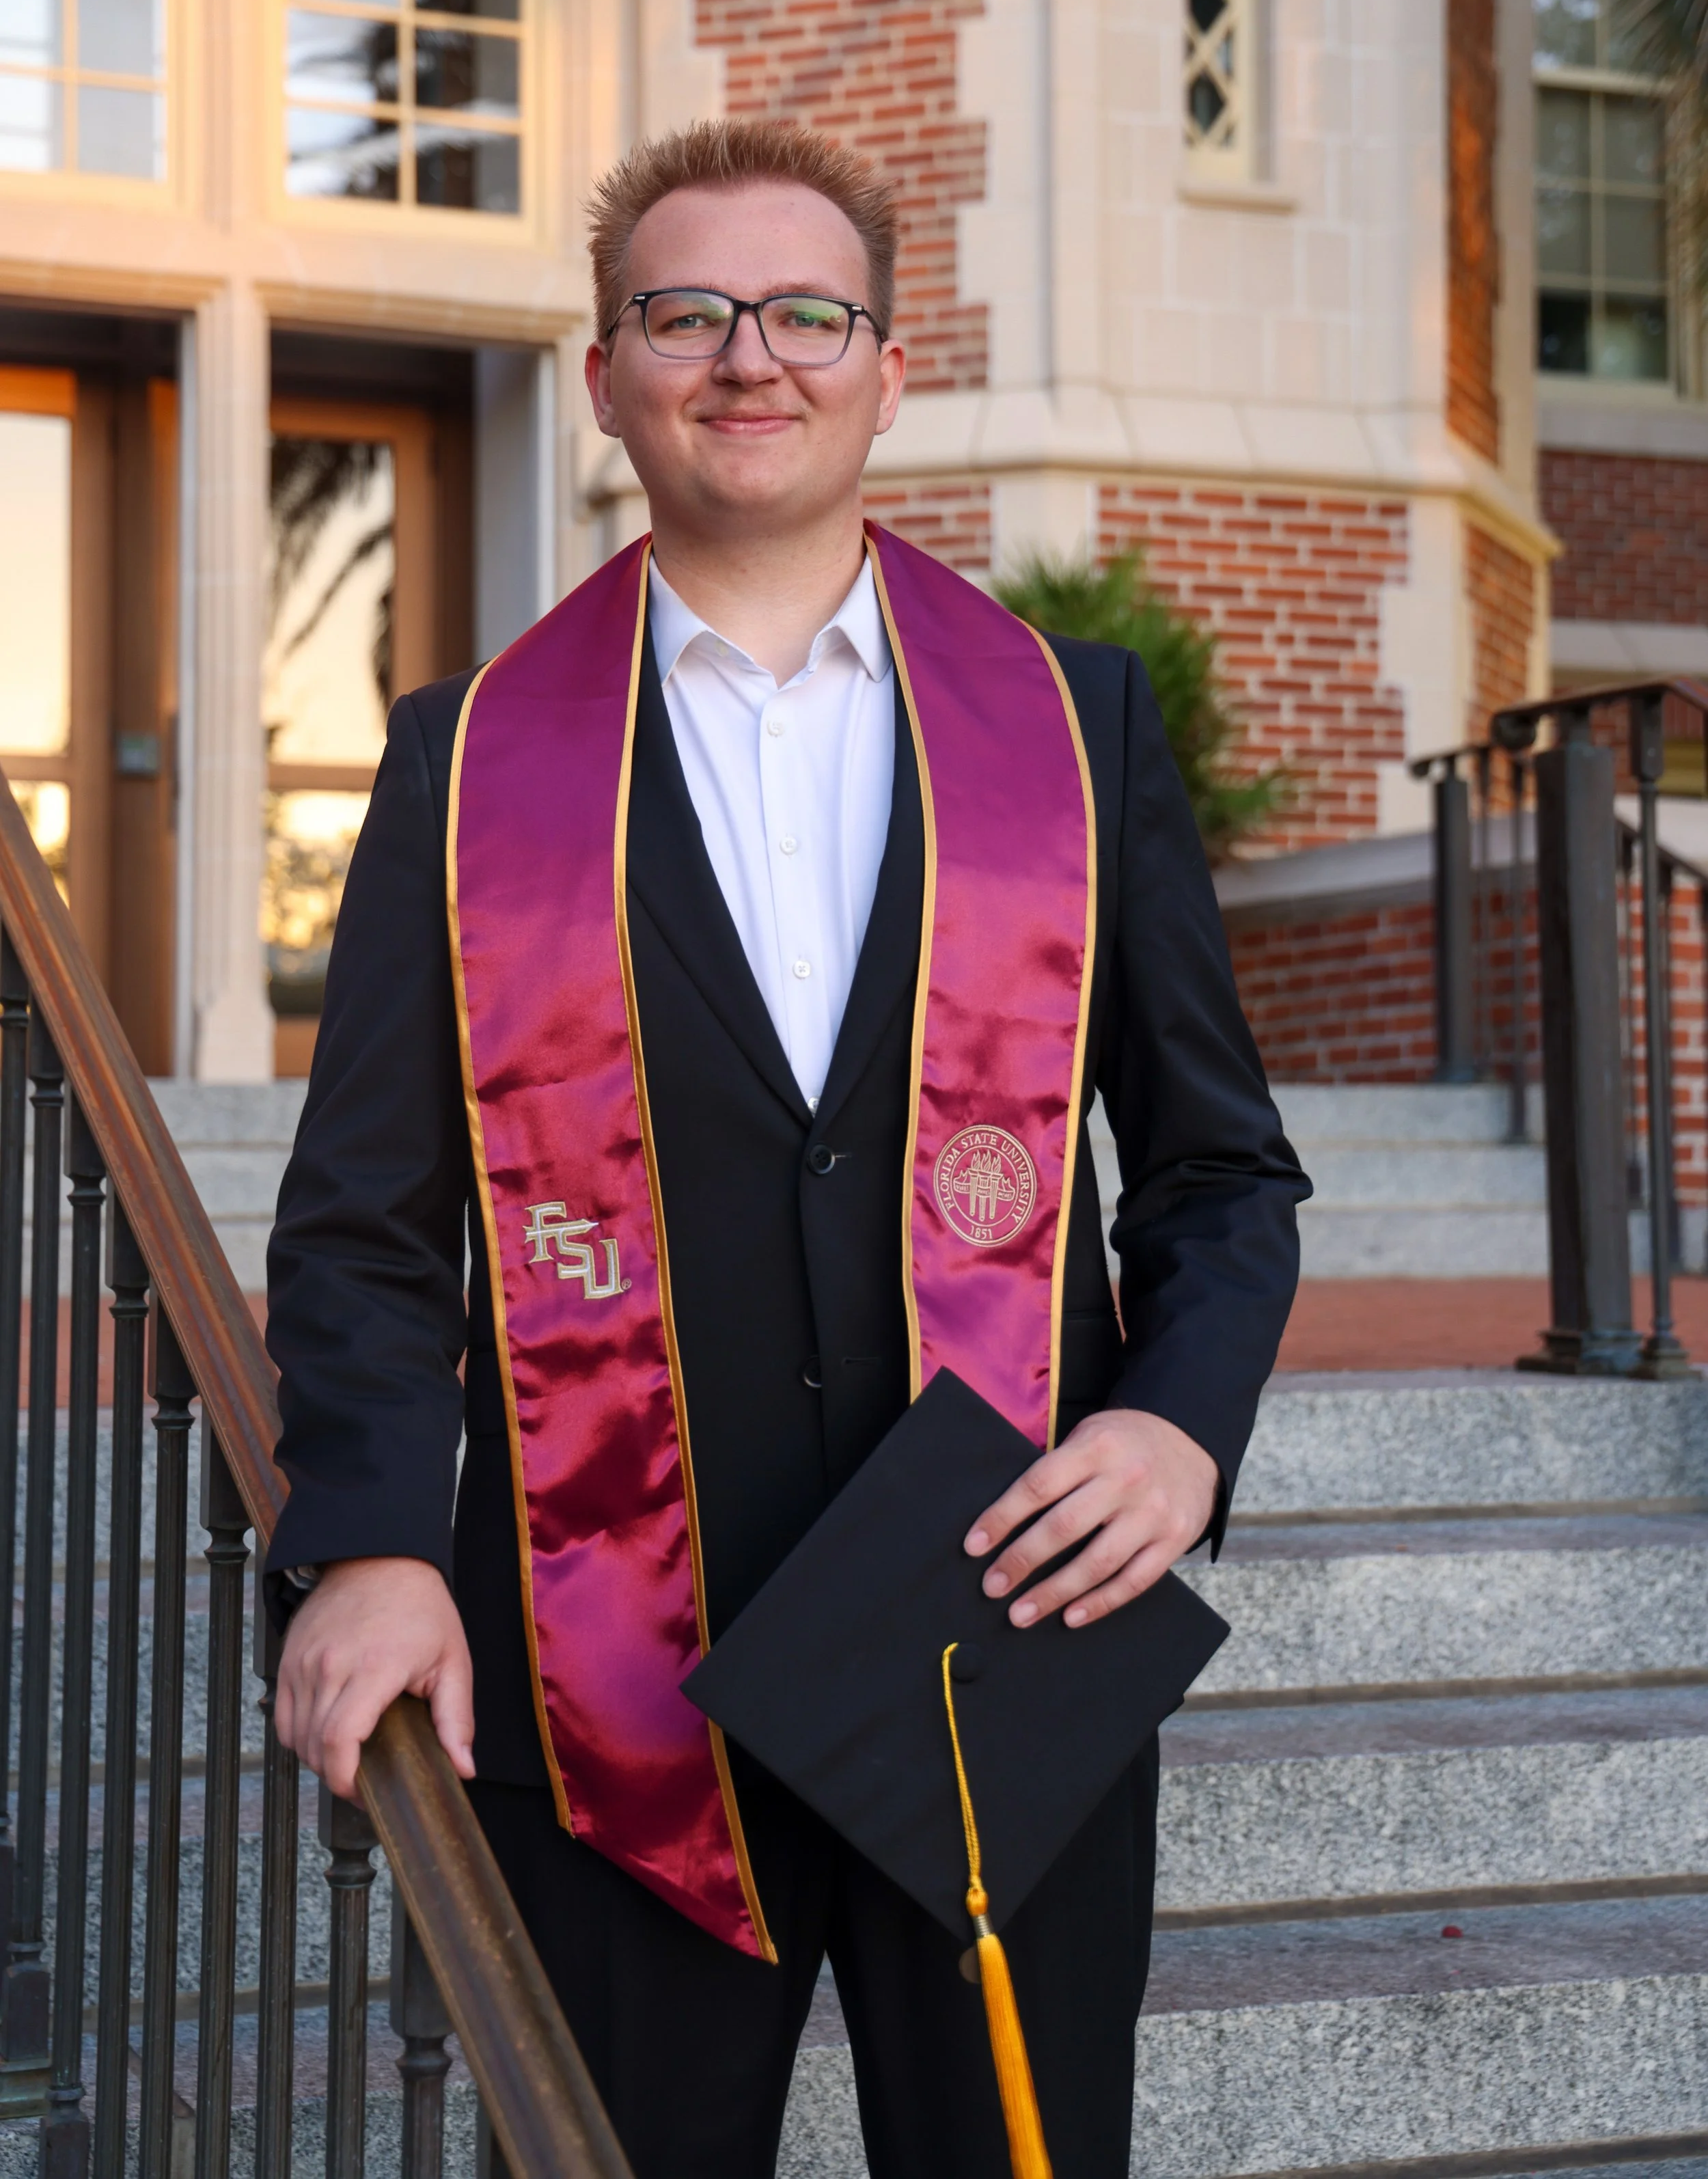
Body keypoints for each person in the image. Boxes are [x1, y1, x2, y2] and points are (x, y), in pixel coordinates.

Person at [264, 117, 1308, 2179]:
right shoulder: (463, 763)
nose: (752, 356)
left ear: (885, 365)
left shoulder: (1068, 728)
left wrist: (1180, 1429)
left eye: (806, 310)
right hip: (600, 1666)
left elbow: (1215, 1171)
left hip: (1005, 1627)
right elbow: (368, 1220)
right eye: (686, 311)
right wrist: (375, 1534)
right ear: (607, 375)